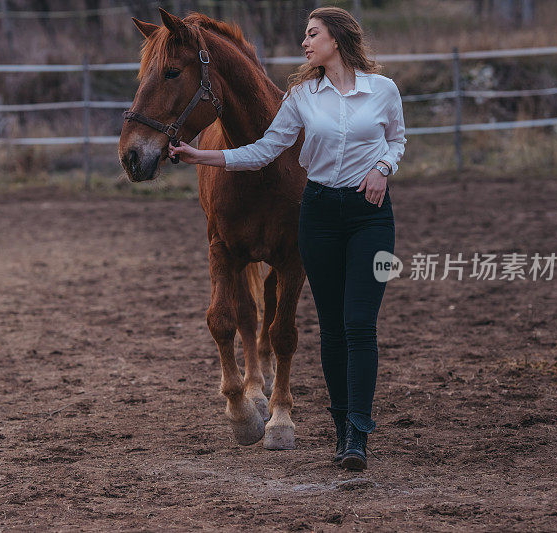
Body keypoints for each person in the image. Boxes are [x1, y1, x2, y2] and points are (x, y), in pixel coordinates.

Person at [168, 7, 406, 470]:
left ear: (336, 40)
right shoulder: (300, 97)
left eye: (312, 34)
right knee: (334, 328)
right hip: (317, 213)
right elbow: (264, 150)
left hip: (370, 213)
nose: (304, 42)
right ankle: (343, 432)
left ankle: (359, 430)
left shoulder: (383, 90)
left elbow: (396, 140)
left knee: (361, 325)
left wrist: (383, 167)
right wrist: (201, 155)